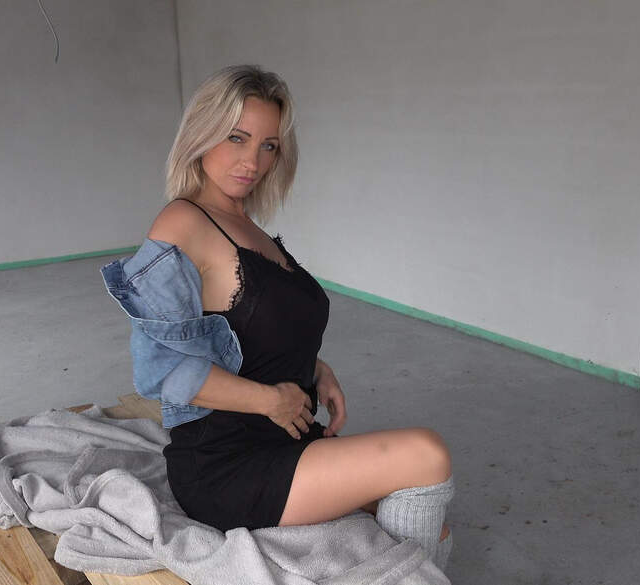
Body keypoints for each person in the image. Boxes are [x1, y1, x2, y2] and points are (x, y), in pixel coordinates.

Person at [139, 64, 454, 572]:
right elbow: (162, 370)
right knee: (426, 455)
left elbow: (251, 325)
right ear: (201, 133)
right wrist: (272, 399)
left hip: (285, 438)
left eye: (268, 145)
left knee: (432, 524)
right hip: (226, 465)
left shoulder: (244, 222)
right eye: (236, 138)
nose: (253, 161)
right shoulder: (182, 222)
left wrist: (315, 369)